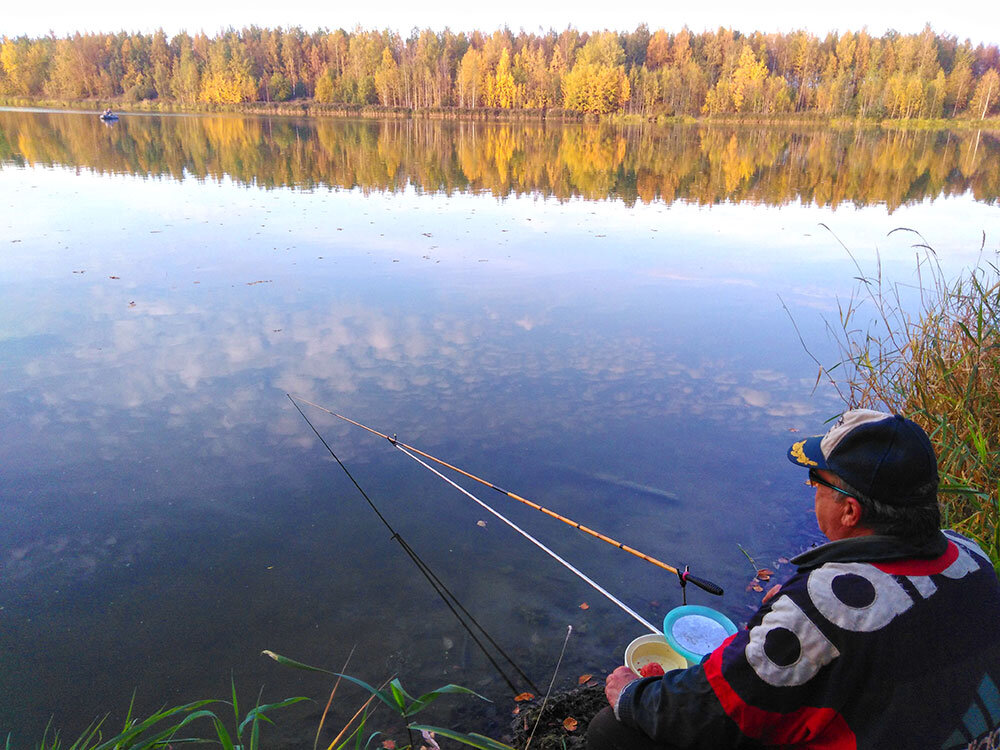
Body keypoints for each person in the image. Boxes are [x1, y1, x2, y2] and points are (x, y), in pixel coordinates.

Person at [587, 408, 1000, 749]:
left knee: (611, 732)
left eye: (816, 480)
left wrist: (631, 695)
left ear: (850, 511)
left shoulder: (828, 607)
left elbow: (713, 710)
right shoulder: (971, 556)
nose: (811, 490)